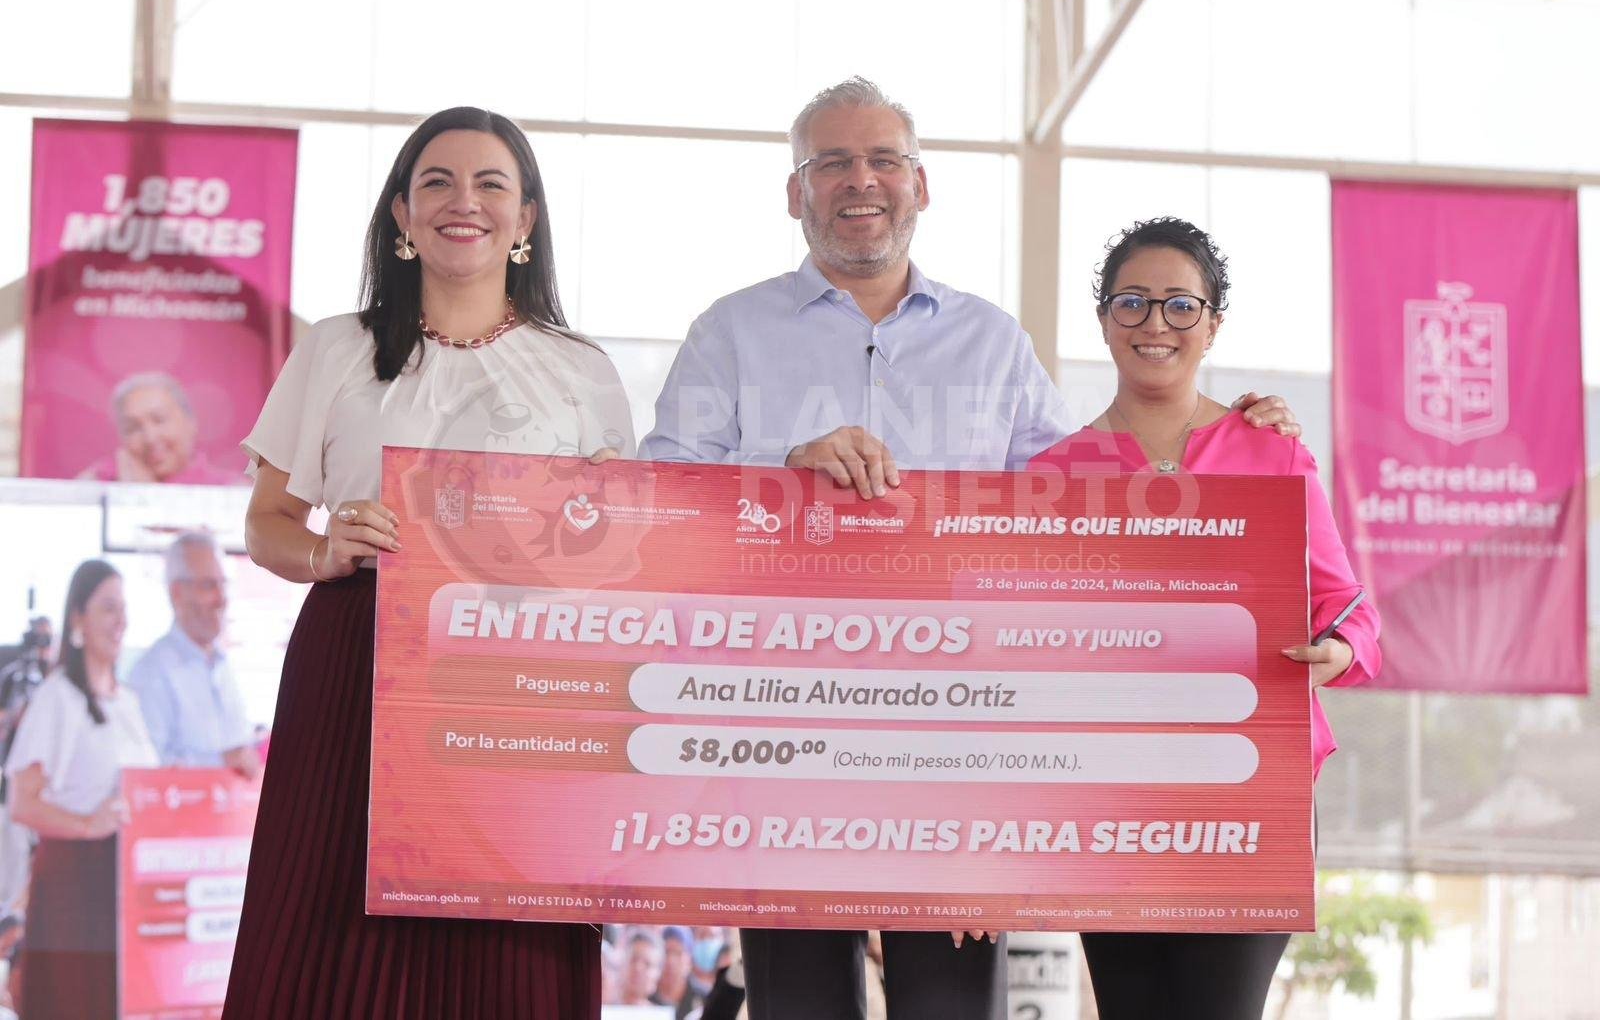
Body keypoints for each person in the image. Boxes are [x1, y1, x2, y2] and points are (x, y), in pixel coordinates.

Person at [639, 77, 1302, 1020]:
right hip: (780, 734)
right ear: (795, 192)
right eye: (832, 162)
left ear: (920, 185)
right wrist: (781, 474)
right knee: (799, 1005)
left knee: (952, 1005)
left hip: (958, 745)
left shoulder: (993, 343)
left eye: (883, 160)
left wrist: (1228, 429)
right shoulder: (729, 334)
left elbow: (1094, 512)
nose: (860, 181)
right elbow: (658, 504)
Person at [223, 106, 633, 1019]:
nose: (464, 202)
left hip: (522, 676)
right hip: (358, 661)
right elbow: (266, 523)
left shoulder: (581, 370)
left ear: (526, 218)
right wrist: (324, 551)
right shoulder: (337, 346)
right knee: (330, 916)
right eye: (437, 182)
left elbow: (618, 555)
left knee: (507, 935)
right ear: (402, 214)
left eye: (492, 184)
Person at [1028, 217, 1381, 1020]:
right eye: (1132, 302)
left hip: (1250, 791)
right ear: (1103, 320)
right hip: (1112, 801)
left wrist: (1333, 651)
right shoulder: (1055, 473)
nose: (1155, 323)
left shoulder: (1273, 453)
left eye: (1180, 305)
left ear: (1213, 324)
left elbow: (1351, 614)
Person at [4, 559, 159, 1019]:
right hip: (73, 883)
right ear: (78, 617)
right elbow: (22, 803)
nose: (120, 620)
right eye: (108, 608)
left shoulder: (127, 702)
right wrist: (89, 824)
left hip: (123, 884)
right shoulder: (58, 697)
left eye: (123, 608)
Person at [126, 531, 258, 777]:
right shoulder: (151, 673)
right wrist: (220, 763)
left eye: (223, 584)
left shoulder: (223, 665)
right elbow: (146, 769)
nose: (221, 599)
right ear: (177, 593)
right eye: (209, 585)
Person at [78, 372, 242, 485]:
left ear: (190, 422)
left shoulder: (230, 489)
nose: (150, 438)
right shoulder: (98, 482)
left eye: (159, 420)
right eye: (133, 428)